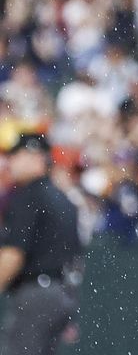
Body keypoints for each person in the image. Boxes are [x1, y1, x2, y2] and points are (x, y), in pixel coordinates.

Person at [0, 134, 82, 355]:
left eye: (16, 155)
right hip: (62, 294)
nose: (11, 162)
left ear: (35, 157)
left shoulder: (27, 195)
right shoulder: (63, 198)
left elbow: (13, 254)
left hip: (36, 295)